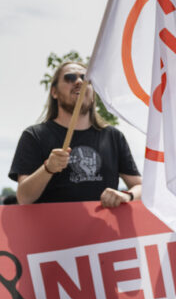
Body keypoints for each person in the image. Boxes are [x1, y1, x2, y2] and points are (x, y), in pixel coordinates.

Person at [9, 61, 140, 207]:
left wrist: (127, 195)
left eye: (86, 79)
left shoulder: (113, 137)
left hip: (103, 229)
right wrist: (47, 169)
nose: (79, 81)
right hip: (52, 229)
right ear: (54, 92)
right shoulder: (34, 136)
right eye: (70, 77)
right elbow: (24, 198)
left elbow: (141, 187)